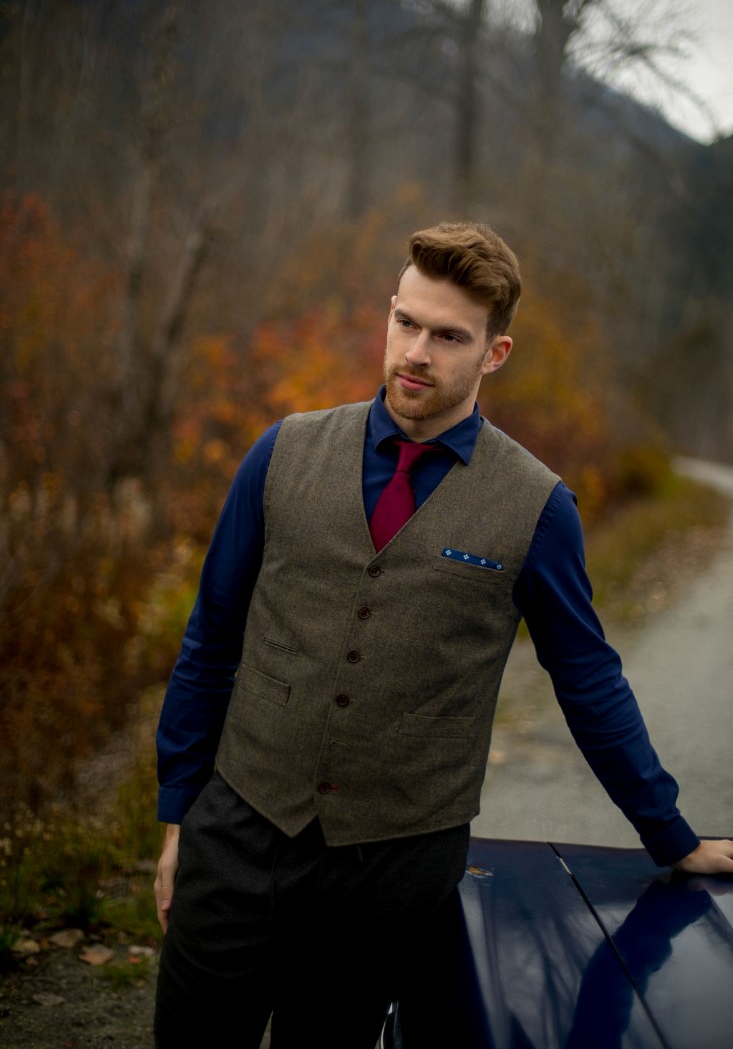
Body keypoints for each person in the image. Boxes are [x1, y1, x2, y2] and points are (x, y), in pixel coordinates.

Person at [153, 221, 733, 1048]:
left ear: (493, 354)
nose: (415, 352)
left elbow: (587, 678)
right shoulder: (281, 453)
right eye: (405, 322)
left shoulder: (537, 507)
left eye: (448, 335)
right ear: (389, 313)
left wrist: (669, 834)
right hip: (238, 832)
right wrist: (179, 817)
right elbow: (211, 640)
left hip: (390, 870)